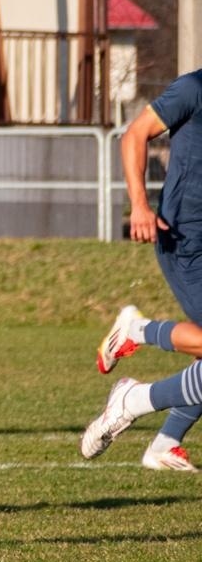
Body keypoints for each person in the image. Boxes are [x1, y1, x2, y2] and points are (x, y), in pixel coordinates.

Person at [82, 70, 202, 472]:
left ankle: (165, 442)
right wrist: (139, 204)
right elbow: (134, 135)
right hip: (187, 243)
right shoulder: (194, 88)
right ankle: (132, 396)